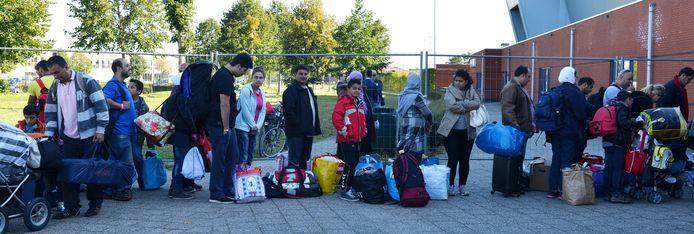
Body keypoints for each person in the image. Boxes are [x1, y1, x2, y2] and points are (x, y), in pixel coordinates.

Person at [44, 55, 109, 219]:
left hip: (90, 136)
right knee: (68, 172)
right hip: (68, 137)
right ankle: (71, 207)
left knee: (92, 171)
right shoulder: (55, 85)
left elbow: (102, 106)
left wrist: (100, 129)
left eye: (57, 72)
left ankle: (95, 204)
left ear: (66, 66)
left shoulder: (86, 81)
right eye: (52, 73)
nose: (56, 76)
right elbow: (50, 110)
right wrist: (49, 134)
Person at [207, 53, 253, 203]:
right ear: (238, 66)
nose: (243, 75)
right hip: (220, 125)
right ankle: (216, 193)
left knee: (232, 155)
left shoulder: (226, 75)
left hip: (227, 125)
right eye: (244, 71)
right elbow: (224, 104)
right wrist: (226, 127)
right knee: (220, 158)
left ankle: (228, 189)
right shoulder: (224, 77)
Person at [545, 67, 591, 199]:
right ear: (571, 76)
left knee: (556, 160)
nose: (576, 79)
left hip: (554, 131)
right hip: (569, 132)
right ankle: (564, 190)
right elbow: (581, 113)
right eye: (575, 76)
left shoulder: (555, 90)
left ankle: (553, 190)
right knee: (566, 161)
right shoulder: (575, 93)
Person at [436, 69, 480, 196]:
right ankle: (450, 186)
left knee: (464, 159)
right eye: (456, 80)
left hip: (467, 132)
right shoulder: (450, 90)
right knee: (453, 159)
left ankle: (462, 186)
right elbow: (451, 106)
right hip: (451, 131)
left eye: (460, 81)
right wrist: (467, 106)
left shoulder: (471, 90)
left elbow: (477, 103)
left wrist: (462, 103)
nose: (457, 83)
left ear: (466, 81)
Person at [102, 58, 138, 201]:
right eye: (127, 65)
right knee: (125, 162)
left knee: (116, 161)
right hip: (119, 131)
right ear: (118, 68)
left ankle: (111, 189)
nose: (130, 67)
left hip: (125, 131)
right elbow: (104, 100)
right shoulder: (112, 85)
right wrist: (121, 106)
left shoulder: (121, 85)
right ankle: (121, 190)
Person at [603, 90, 642, 203]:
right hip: (618, 143)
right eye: (631, 100)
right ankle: (616, 194)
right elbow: (623, 122)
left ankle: (608, 193)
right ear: (627, 99)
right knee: (617, 169)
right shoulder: (622, 107)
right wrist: (636, 123)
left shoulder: (612, 106)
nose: (632, 103)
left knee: (609, 168)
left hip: (608, 141)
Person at [332, 79, 367, 202]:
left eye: (359, 89)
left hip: (357, 138)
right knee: (350, 163)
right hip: (347, 138)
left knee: (354, 162)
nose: (356, 90)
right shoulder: (343, 102)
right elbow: (336, 118)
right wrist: (343, 130)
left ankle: (348, 186)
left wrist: (364, 129)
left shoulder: (359, 103)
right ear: (348, 89)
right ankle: (345, 190)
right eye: (354, 88)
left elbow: (362, 119)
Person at [283, 64, 321, 170]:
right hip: (296, 133)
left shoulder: (309, 89)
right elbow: (288, 112)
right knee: (294, 161)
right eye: (300, 74)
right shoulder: (290, 91)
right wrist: (300, 126)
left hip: (308, 132)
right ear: (295, 75)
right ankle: (292, 184)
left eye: (305, 74)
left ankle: (302, 182)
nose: (303, 76)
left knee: (304, 160)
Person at [655, 67, 694, 163]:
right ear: (683, 76)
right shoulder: (672, 87)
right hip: (672, 126)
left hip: (676, 125)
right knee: (677, 148)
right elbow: (663, 106)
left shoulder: (678, 87)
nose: (689, 82)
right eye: (689, 79)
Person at [500, 66, 535, 159]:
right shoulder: (511, 87)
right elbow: (507, 109)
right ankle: (516, 172)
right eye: (528, 77)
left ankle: (518, 171)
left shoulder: (518, 87)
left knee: (519, 156)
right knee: (516, 157)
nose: (529, 80)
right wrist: (516, 127)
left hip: (520, 129)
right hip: (517, 131)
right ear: (522, 75)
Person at [396, 74, 432, 161]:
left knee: (404, 147)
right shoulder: (417, 96)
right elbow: (427, 113)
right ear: (418, 84)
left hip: (405, 123)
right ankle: (413, 169)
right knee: (416, 150)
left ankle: (404, 167)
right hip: (416, 126)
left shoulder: (403, 95)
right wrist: (429, 123)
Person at [235, 67, 267, 166]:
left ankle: (247, 177)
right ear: (252, 78)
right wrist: (252, 125)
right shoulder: (246, 90)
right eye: (256, 77)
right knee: (243, 156)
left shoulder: (262, 93)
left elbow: (263, 111)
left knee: (250, 156)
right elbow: (245, 110)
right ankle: (239, 178)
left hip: (254, 128)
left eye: (260, 77)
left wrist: (257, 126)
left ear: (263, 79)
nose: (258, 79)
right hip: (242, 127)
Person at [128, 79, 155, 190]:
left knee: (137, 157)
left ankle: (141, 180)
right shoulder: (125, 102)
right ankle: (125, 182)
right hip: (125, 134)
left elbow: (147, 125)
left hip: (137, 137)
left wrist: (150, 143)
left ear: (138, 91)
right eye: (128, 86)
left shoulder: (144, 106)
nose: (129, 89)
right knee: (125, 159)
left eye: (132, 87)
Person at [347, 71, 376, 154]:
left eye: (360, 80)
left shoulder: (363, 92)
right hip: (352, 131)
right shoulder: (346, 94)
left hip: (364, 129)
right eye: (356, 80)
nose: (358, 82)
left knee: (364, 152)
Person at [577, 76, 597, 162]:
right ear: (585, 85)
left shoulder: (577, 95)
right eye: (590, 87)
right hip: (579, 132)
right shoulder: (579, 96)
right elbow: (588, 109)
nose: (591, 90)